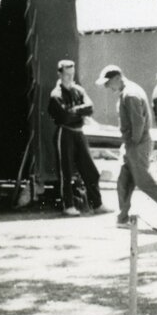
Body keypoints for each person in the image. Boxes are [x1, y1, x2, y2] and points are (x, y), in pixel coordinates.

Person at [95, 65, 157, 228]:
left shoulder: (130, 94)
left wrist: (132, 145)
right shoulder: (129, 91)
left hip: (137, 143)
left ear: (117, 78)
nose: (107, 86)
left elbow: (138, 124)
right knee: (123, 181)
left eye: (108, 82)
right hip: (133, 143)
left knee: (143, 181)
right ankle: (122, 218)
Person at [47, 59, 106, 216]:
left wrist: (74, 110)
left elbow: (90, 108)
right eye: (67, 74)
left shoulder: (79, 90)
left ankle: (97, 204)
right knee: (65, 170)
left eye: (72, 74)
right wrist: (80, 113)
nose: (70, 78)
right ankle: (68, 206)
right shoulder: (56, 95)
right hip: (64, 132)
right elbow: (64, 117)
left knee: (90, 170)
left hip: (79, 132)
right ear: (60, 74)